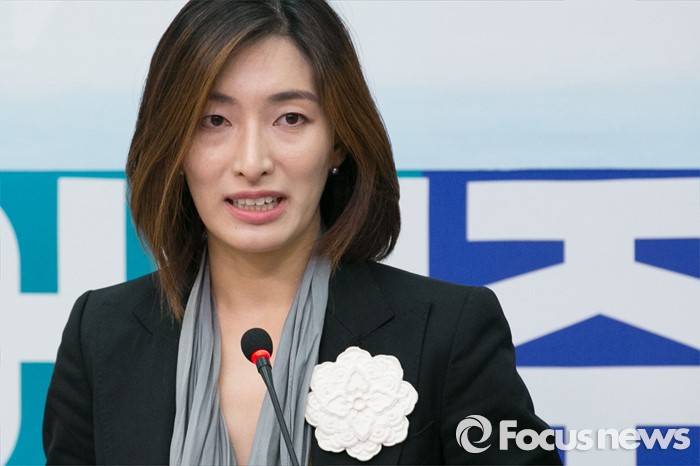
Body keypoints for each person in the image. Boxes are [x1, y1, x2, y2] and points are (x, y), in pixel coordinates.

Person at [43, 1, 562, 465]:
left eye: (290, 118)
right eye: (214, 121)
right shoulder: (101, 335)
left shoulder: (449, 331)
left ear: (339, 142)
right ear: (175, 144)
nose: (252, 162)